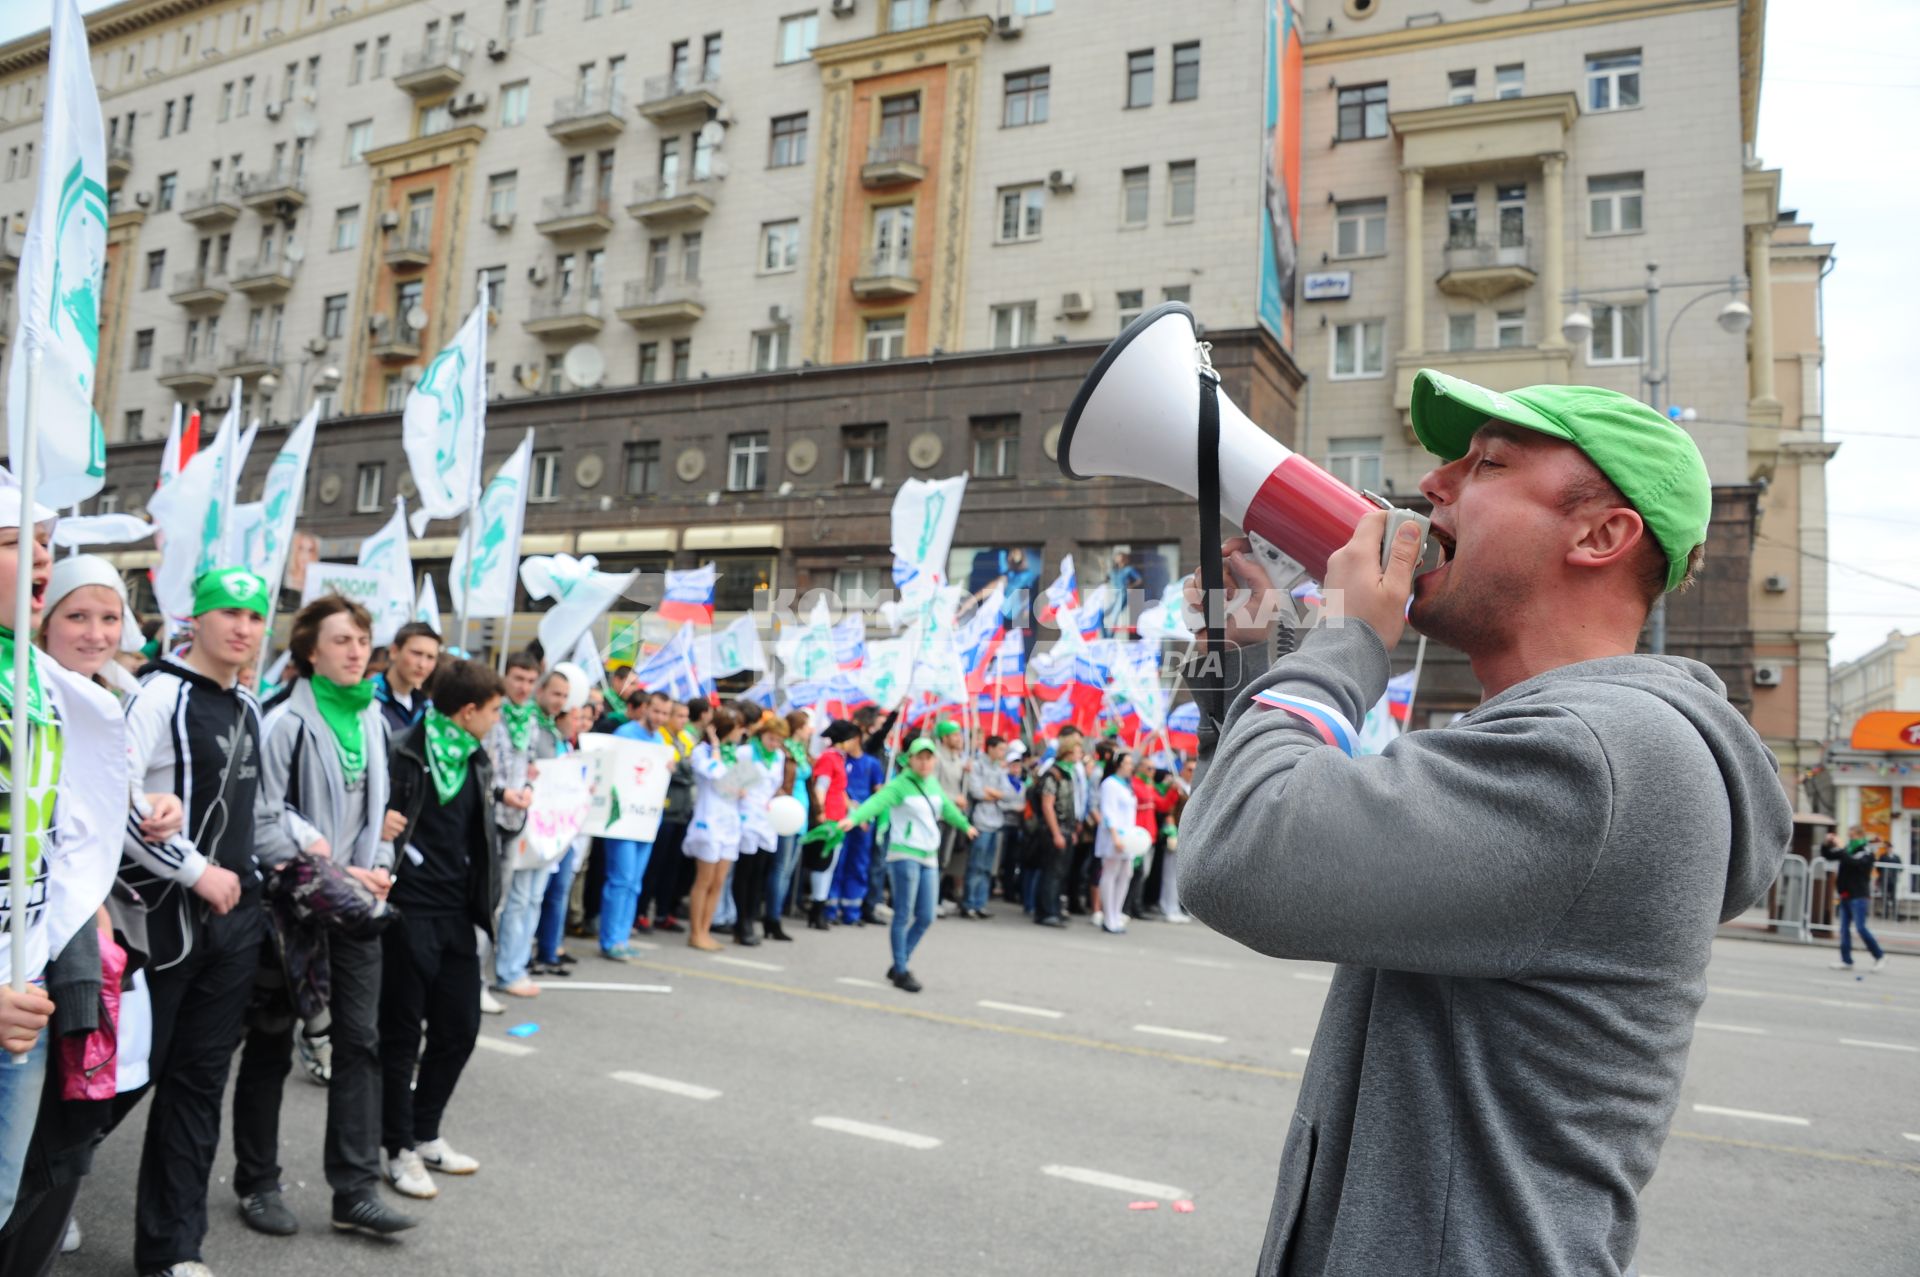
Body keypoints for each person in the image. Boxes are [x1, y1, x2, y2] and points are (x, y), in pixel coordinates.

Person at [1178, 373, 1793, 1273]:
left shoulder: (1600, 756)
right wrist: (1256, 660)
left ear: (1601, 534)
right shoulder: (1574, 742)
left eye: (1488, 463)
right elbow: (1275, 818)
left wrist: (1343, 641)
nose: (1433, 483)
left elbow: (1239, 852)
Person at [233, 595, 414, 1240]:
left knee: (359, 1045)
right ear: (311, 650)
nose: (357, 650)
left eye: (363, 639)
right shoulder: (284, 719)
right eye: (342, 640)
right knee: (271, 1046)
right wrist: (337, 877)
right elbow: (261, 820)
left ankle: (355, 1190)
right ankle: (257, 1183)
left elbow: (382, 814)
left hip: (358, 909)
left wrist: (379, 867)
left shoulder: (370, 720)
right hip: (291, 912)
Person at [119, 568, 274, 1277]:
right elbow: (110, 796)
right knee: (121, 1079)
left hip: (232, 927)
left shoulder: (246, 702)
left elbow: (258, 809)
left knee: (198, 1084)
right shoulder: (158, 694)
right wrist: (193, 870)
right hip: (158, 923)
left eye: (254, 614)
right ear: (197, 620)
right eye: (229, 612)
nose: (243, 627)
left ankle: (173, 1249)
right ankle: (43, 1200)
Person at [0, 505, 132, 1230]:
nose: (44, 559)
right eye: (20, 543)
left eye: (47, 543)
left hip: (29, 987)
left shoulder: (48, 686)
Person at [379, 659, 505, 1200]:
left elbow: (480, 834)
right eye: (495, 711)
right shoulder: (404, 749)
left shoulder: (476, 758)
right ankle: (397, 1148)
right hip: (407, 912)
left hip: (457, 915)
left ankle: (426, 1133)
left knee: (459, 1029)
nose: (498, 721)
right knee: (402, 1038)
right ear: (469, 710)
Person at [832, 738, 976, 994]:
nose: (924, 762)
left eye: (928, 757)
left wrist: (965, 825)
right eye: (919, 757)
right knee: (903, 914)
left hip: (928, 855)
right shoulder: (900, 785)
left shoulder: (932, 783)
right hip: (904, 855)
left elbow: (947, 808)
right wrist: (854, 818)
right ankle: (900, 969)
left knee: (926, 916)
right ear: (909, 759)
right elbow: (877, 802)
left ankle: (900, 960)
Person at [484, 652, 553, 997]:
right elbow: (481, 769)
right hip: (488, 818)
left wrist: (527, 785)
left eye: (530, 680)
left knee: (508, 899)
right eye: (518, 679)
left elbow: (525, 765)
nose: (524, 687)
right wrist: (502, 793)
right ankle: (478, 980)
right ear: (505, 677)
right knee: (488, 901)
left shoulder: (529, 720)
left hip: (517, 820)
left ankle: (503, 970)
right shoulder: (490, 714)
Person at [598, 690, 672, 962]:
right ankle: (609, 939)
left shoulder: (661, 739)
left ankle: (621, 937)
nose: (660, 717)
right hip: (622, 819)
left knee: (635, 883)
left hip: (646, 819)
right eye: (656, 711)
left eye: (665, 713)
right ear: (646, 709)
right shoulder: (625, 733)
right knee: (621, 879)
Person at [532, 668, 586, 975]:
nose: (576, 723)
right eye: (557, 696)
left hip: (562, 829)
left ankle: (550, 949)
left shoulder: (561, 740)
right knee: (533, 895)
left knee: (557, 890)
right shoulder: (535, 730)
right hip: (540, 827)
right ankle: (530, 953)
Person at [682, 706, 746, 952]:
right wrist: (716, 746)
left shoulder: (737, 755)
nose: (742, 732)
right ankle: (695, 932)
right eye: (738, 727)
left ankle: (706, 930)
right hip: (708, 822)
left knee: (719, 881)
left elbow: (744, 787)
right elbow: (717, 775)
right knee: (704, 880)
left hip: (731, 823)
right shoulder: (702, 752)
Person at [730, 713, 788, 946]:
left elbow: (775, 785)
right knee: (745, 871)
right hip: (746, 814)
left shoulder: (779, 757)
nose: (774, 744)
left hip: (767, 817)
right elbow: (732, 782)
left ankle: (751, 917)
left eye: (778, 740)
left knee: (759, 872)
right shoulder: (746, 753)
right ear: (762, 734)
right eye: (771, 739)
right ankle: (740, 921)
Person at [805, 721, 862, 930]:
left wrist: (851, 808)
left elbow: (839, 789)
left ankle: (818, 908)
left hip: (838, 818)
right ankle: (816, 908)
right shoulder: (829, 758)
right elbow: (821, 786)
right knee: (823, 865)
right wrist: (820, 812)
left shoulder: (838, 758)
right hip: (828, 819)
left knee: (829, 865)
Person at [830, 726, 887, 925]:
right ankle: (830, 909)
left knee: (859, 866)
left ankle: (851, 911)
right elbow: (837, 788)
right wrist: (852, 811)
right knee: (838, 863)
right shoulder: (839, 760)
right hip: (842, 819)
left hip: (864, 824)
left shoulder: (871, 763)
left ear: (856, 739)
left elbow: (879, 793)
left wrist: (869, 815)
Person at [1026, 734, 1083, 927]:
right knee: (1051, 871)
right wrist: (1056, 832)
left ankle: (1053, 908)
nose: (1080, 755)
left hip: (1066, 829)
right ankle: (1046, 911)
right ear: (1068, 752)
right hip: (1053, 830)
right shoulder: (1053, 774)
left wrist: (1072, 830)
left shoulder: (1068, 773)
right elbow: (1047, 805)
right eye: (1077, 751)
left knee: (1060, 872)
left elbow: (1070, 805)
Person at [764, 709, 812, 930]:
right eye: (806, 726)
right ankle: (772, 916)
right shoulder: (784, 751)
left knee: (789, 869)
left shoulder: (802, 752)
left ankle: (776, 913)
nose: (810, 730)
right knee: (780, 867)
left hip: (799, 815)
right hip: (786, 814)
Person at [1821, 828, 1888, 973]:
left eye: (1852, 836)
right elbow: (1828, 855)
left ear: (1860, 836)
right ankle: (1846, 960)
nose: (1850, 839)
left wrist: (1841, 848)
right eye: (1849, 836)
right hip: (1846, 895)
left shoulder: (1867, 852)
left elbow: (1854, 864)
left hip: (1859, 896)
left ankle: (1879, 956)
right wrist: (1827, 843)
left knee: (1860, 928)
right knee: (1844, 930)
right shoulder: (1848, 850)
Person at [962, 736, 1014, 919]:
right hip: (980, 821)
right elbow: (976, 791)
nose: (1003, 753)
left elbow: (1009, 794)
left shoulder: (999, 769)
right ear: (990, 748)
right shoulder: (977, 765)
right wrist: (996, 794)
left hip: (996, 822)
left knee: (987, 867)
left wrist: (991, 792)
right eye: (1000, 749)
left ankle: (980, 903)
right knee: (976, 864)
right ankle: (969, 903)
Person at [1093, 752, 1138, 934]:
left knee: (1126, 872)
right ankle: (1108, 917)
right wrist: (1115, 836)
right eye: (1127, 763)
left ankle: (1116, 913)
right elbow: (1108, 811)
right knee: (1110, 872)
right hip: (1114, 835)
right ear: (1118, 764)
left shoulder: (1127, 785)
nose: (1130, 766)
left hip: (1127, 836)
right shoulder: (1110, 784)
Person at [371, 622, 439, 736]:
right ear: (394, 651)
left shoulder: (427, 707)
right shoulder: (369, 698)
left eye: (430, 657)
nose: (422, 664)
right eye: (416, 653)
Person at [932, 721, 970, 908]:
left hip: (952, 817)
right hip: (939, 816)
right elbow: (933, 787)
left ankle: (935, 898)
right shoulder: (936, 758)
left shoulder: (958, 760)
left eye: (959, 734)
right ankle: (929, 900)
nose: (959, 738)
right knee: (935, 859)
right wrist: (955, 799)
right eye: (954, 735)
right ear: (944, 738)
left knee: (944, 860)